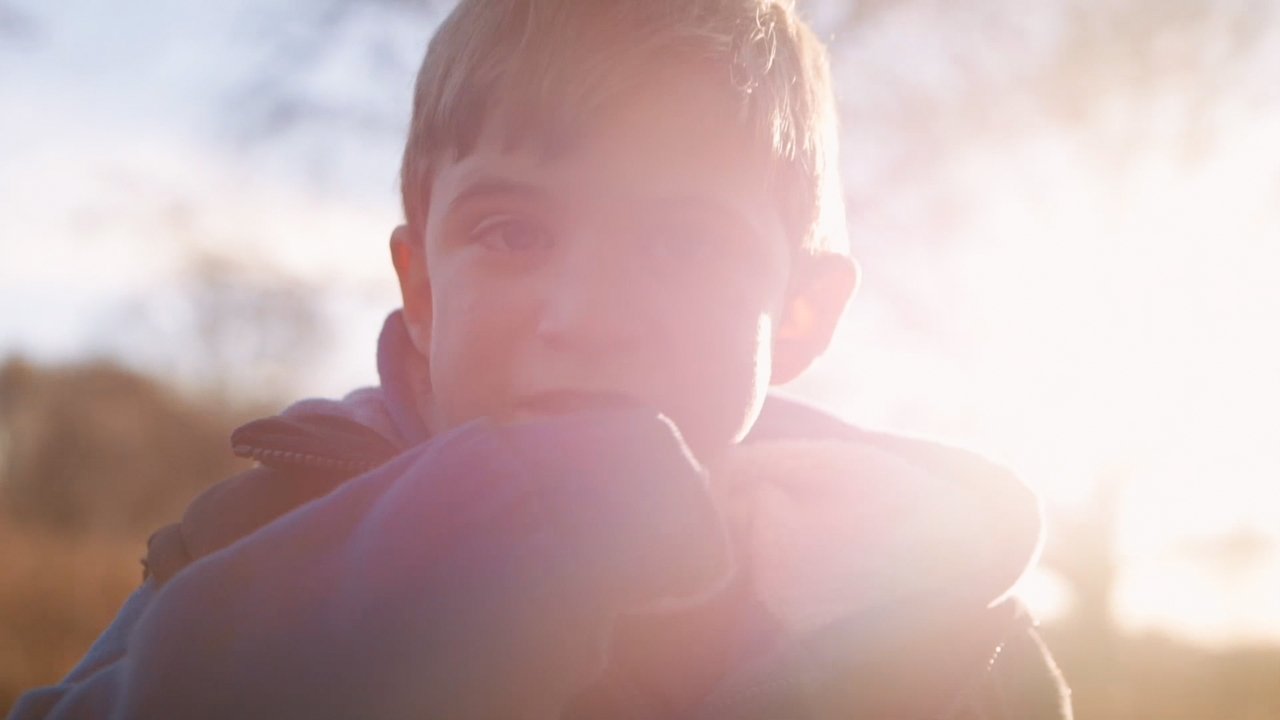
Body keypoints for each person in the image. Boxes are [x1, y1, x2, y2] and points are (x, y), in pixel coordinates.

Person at [9, 1, 1072, 718]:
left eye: (680, 243)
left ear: (795, 313)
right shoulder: (257, 538)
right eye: (513, 233)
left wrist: (889, 659)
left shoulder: (924, 616)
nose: (587, 314)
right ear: (423, 288)